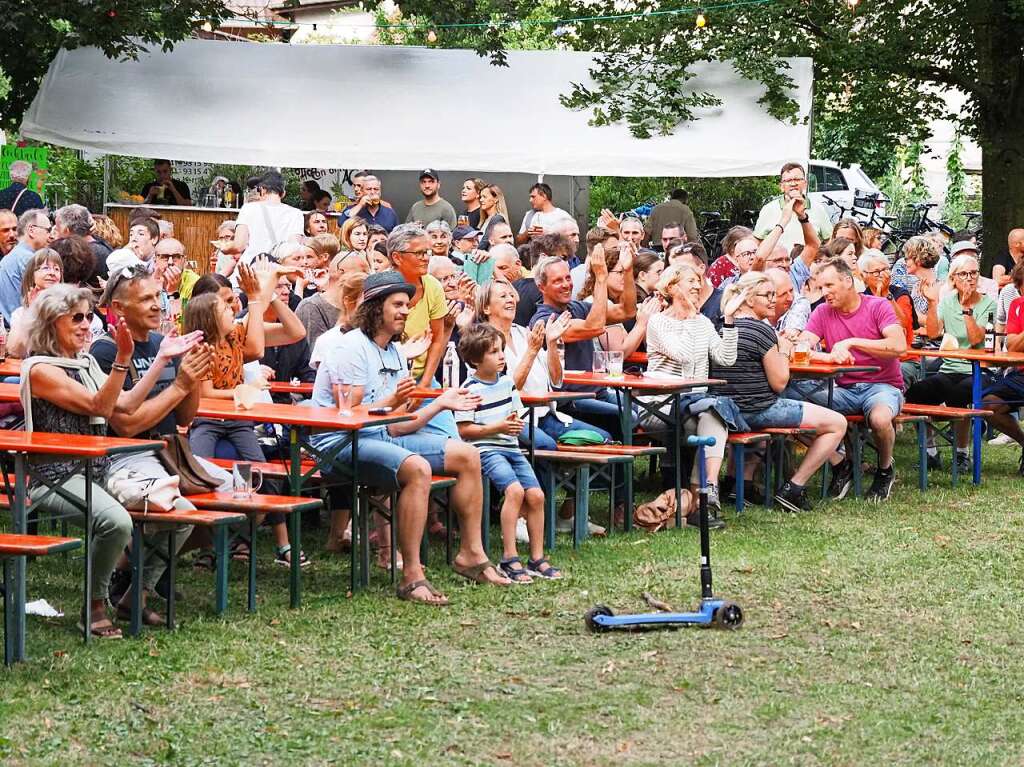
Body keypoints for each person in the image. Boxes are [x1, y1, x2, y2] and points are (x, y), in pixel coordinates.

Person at [312, 271, 513, 604]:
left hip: (381, 438)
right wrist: (392, 404)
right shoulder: (350, 348)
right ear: (375, 307)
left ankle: (471, 555)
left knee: (467, 455)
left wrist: (440, 403)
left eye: (407, 304)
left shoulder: (393, 352)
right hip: (340, 443)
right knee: (416, 468)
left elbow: (400, 424)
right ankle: (412, 575)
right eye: (398, 304)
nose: (405, 311)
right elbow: (347, 415)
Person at [23, 284, 199, 637]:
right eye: (77, 317)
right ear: (50, 322)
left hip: (98, 470)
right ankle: (94, 604)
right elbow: (99, 407)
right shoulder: (40, 368)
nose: (87, 324)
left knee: (182, 515)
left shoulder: (84, 362)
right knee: (117, 523)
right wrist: (122, 359)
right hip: (54, 477)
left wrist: (163, 358)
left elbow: (128, 404)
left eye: (89, 316)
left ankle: (136, 595)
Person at [91, 267, 230, 611]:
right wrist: (181, 384)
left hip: (169, 452)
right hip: (125, 457)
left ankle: (128, 564)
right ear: (120, 308)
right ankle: (137, 592)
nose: (157, 305)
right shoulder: (107, 351)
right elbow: (125, 426)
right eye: (147, 299)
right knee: (180, 513)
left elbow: (184, 418)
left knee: (236, 497)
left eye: (159, 297)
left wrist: (196, 375)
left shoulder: (161, 343)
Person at [185, 260, 309, 567]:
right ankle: (206, 543)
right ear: (208, 313)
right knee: (200, 474)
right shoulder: (199, 345)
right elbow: (206, 394)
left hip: (238, 421)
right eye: (227, 304)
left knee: (261, 472)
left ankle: (238, 538)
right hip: (207, 420)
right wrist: (246, 389)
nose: (234, 306)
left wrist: (267, 293)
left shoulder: (234, 335)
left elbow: (285, 335)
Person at [712, 272, 848, 512]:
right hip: (757, 410)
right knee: (837, 423)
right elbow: (780, 382)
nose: (773, 300)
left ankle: (738, 485)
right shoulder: (761, 331)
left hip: (724, 411)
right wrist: (784, 350)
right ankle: (794, 488)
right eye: (767, 295)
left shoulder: (720, 326)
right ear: (748, 300)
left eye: (774, 294)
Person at [790, 259, 908, 501]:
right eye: (820, 287)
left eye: (829, 286)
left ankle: (885, 470)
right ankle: (840, 462)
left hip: (882, 386)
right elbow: (801, 347)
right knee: (787, 401)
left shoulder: (877, 306)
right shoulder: (822, 311)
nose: (824, 293)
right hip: (841, 388)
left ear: (848, 281)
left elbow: (899, 346)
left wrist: (852, 342)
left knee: (879, 418)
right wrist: (828, 356)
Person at [455, 324, 562, 582]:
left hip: (511, 448)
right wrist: (499, 427)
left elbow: (514, 413)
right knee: (514, 492)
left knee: (536, 495)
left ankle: (537, 558)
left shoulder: (507, 384)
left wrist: (513, 423)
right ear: (475, 360)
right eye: (493, 352)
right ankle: (509, 557)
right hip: (488, 450)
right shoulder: (469, 389)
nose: (502, 356)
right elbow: (465, 430)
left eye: (501, 350)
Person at [644, 264, 741, 521]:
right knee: (709, 419)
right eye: (691, 281)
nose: (698, 286)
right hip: (660, 406)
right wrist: (689, 316)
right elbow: (683, 356)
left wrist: (729, 320)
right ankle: (703, 501)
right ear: (673, 287)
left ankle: (707, 494)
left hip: (695, 405)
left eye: (699, 281)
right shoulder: (658, 322)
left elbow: (726, 358)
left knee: (712, 416)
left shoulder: (703, 322)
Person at [906, 254, 996, 474]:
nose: (970, 278)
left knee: (959, 396)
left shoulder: (988, 304)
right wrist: (932, 302)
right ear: (954, 278)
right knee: (917, 392)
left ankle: (962, 454)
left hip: (978, 370)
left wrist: (966, 309)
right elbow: (935, 333)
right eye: (964, 274)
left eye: (974, 273)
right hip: (949, 369)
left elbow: (977, 340)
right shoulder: (946, 302)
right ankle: (931, 452)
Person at [389, 224, 448, 386]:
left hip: (423, 378)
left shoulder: (433, 286)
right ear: (397, 257)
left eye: (427, 252)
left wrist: (424, 385)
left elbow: (437, 339)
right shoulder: (380, 289)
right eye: (419, 253)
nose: (426, 258)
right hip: (386, 378)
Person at [218, 171, 304, 273]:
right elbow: (293, 249)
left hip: (250, 272)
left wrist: (225, 248)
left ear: (262, 190)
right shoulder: (296, 213)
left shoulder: (248, 208)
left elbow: (239, 245)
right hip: (279, 275)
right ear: (283, 193)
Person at [753, 163, 832, 251]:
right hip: (778, 263)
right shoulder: (768, 209)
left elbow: (829, 240)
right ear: (781, 186)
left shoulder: (818, 209)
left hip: (809, 262)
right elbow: (757, 241)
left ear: (805, 184)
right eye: (788, 180)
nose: (793, 183)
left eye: (797, 179)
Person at [0, 209, 52, 321]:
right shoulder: (28, 258)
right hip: (24, 327)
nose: (51, 235)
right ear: (31, 230)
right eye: (48, 230)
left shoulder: (18, 254)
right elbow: (48, 300)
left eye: (14, 229)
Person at [53, 204, 111, 281]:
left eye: (57, 229)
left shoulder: (77, 254)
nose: (54, 233)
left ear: (66, 230)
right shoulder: (103, 245)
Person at [478, 184, 511, 251]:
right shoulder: (485, 219)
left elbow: (485, 241)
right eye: (481, 197)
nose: (481, 200)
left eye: (484, 197)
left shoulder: (497, 218)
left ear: (496, 199)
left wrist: (472, 253)